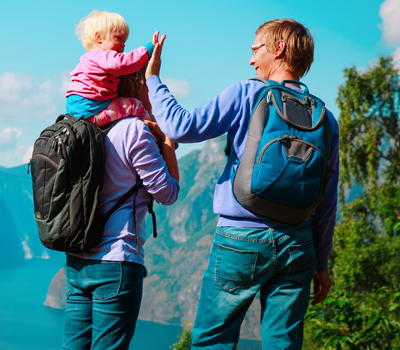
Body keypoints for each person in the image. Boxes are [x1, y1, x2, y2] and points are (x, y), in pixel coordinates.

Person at [145, 19, 339, 349]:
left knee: (213, 341)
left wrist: (153, 80)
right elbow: (326, 201)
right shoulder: (325, 117)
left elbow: (180, 128)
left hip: (241, 239)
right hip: (298, 244)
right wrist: (322, 263)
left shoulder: (247, 93)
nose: (251, 59)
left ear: (278, 49)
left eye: (255, 49)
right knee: (283, 343)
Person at [62, 69, 181, 350]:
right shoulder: (134, 130)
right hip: (117, 260)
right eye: (149, 83)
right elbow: (169, 193)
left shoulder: (87, 127)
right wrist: (165, 140)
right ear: (138, 87)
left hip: (76, 259)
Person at [66, 10, 158, 126]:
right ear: (99, 37)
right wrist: (148, 50)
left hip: (78, 113)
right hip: (93, 111)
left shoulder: (87, 59)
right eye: (119, 38)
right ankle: (153, 133)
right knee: (135, 105)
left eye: (124, 41)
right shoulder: (102, 56)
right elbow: (126, 63)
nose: (123, 44)